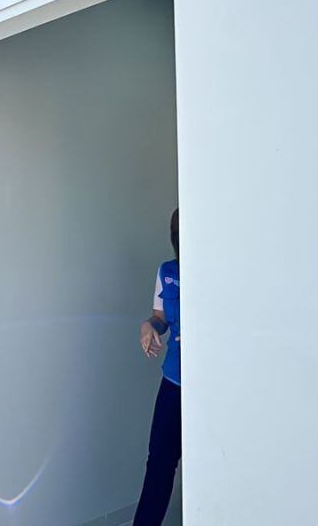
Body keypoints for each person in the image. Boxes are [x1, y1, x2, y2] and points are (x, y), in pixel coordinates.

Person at [132, 208, 181, 526]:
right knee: (160, 463)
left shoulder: (222, 268)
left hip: (216, 386)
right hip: (175, 382)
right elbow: (161, 318)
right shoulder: (167, 272)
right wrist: (149, 326)